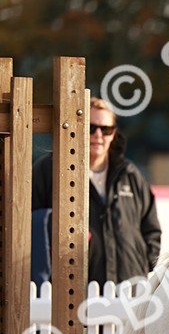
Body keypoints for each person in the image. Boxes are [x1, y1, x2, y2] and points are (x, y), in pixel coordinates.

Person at [31, 96, 161, 285]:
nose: (98, 135)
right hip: (69, 292)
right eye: (91, 128)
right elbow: (31, 225)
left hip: (128, 291)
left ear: (114, 133)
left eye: (106, 129)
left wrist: (143, 262)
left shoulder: (130, 174)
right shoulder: (49, 170)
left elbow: (151, 229)